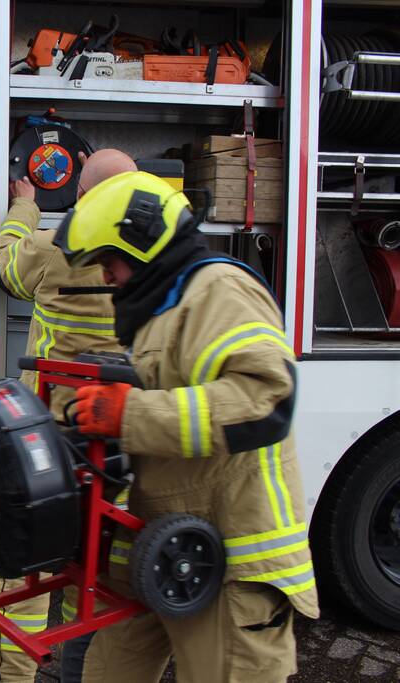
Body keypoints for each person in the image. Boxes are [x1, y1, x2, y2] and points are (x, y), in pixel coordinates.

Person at [55, 171, 318, 683]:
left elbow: (265, 399)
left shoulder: (218, 291)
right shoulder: (163, 307)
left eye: (110, 262)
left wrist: (127, 415)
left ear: (143, 239)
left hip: (233, 562)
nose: (106, 278)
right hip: (163, 549)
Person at [0, 149, 136, 683]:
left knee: (21, 570)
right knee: (91, 571)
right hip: (121, 440)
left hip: (44, 439)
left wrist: (26, 206)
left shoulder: (51, 249)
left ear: (83, 198)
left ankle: (6, 678)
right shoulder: (161, 260)